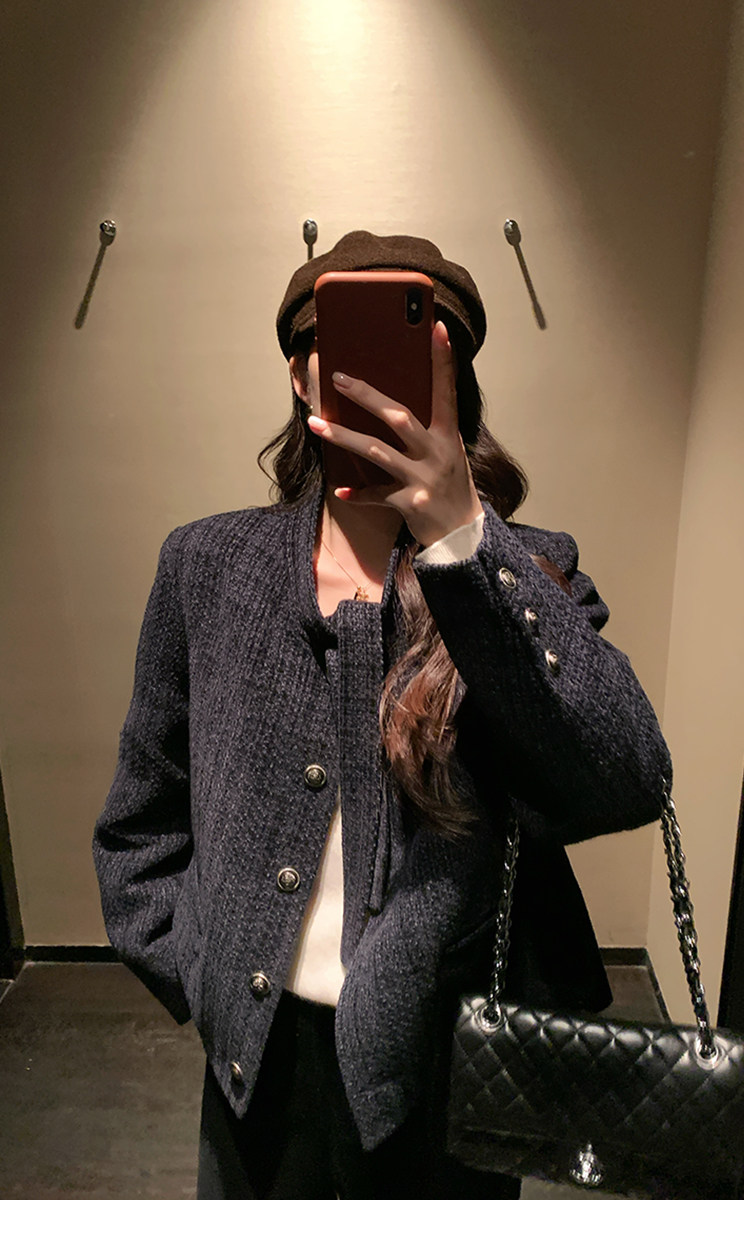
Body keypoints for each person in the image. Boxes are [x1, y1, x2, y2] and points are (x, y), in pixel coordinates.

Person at [92, 230, 671, 1200]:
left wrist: (461, 540)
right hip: (254, 1065)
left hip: (445, 1072)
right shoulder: (207, 567)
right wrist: (195, 960)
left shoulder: (526, 570)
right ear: (300, 375)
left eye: (416, 347)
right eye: (343, 345)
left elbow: (625, 775)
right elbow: (142, 812)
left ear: (454, 380)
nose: (376, 379)